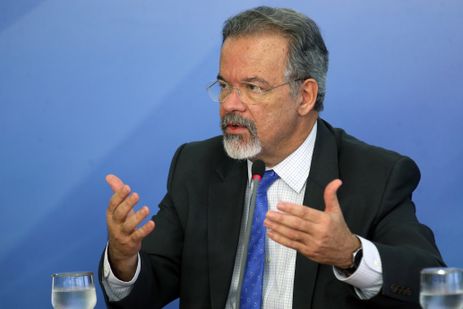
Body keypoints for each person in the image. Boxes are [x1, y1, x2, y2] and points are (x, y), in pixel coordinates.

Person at [99, 6, 444, 308]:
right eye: (223, 86)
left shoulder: (376, 175)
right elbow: (144, 292)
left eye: (253, 87)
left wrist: (350, 254)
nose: (231, 104)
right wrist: (124, 259)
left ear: (305, 96)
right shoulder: (197, 166)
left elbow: (430, 283)